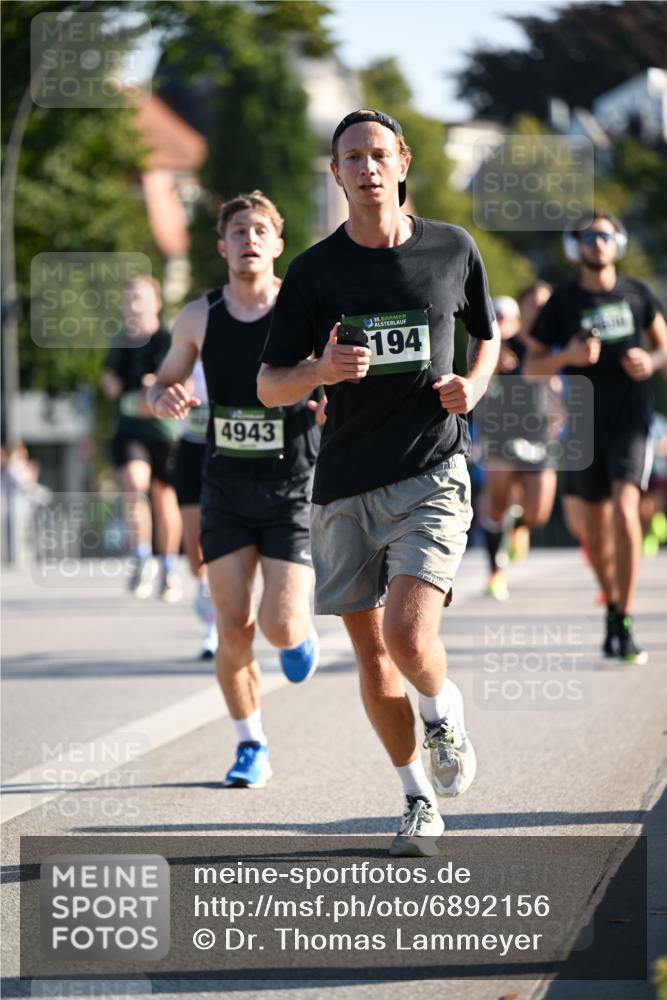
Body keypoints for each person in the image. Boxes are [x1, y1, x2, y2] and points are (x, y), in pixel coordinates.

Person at [257, 109, 499, 856]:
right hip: (344, 484)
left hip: (430, 468)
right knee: (370, 657)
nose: (364, 167)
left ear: (401, 163)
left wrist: (473, 386)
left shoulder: (452, 250)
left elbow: (486, 335)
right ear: (334, 174)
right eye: (349, 157)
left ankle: (441, 709)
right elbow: (270, 385)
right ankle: (416, 800)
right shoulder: (314, 271)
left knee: (404, 633)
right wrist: (318, 373)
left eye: (376, 154)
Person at [147, 190, 320, 788]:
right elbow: (160, 384)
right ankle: (252, 744)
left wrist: (329, 404)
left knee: (278, 626)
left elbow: (339, 380)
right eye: (238, 230)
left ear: (277, 244)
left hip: (291, 484)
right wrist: (163, 396)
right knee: (231, 623)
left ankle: (298, 632)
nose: (249, 239)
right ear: (222, 246)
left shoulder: (302, 313)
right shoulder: (199, 316)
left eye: (259, 230)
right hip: (223, 484)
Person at [525, 211, 667, 663]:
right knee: (593, 528)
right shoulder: (562, 303)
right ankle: (611, 604)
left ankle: (624, 619)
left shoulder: (639, 294)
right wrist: (567, 354)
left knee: (626, 512)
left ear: (616, 243)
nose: (597, 242)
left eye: (604, 235)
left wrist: (652, 361)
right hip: (582, 424)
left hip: (631, 421)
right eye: (588, 236)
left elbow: (664, 346)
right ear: (576, 247)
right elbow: (532, 370)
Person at [102, 276, 183, 602]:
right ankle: (141, 558)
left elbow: (164, 383)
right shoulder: (119, 342)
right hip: (129, 431)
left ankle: (168, 565)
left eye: (141, 297)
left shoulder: (166, 341)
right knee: (134, 485)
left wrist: (151, 390)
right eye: (129, 298)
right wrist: (112, 386)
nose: (134, 304)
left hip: (163, 434)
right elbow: (110, 380)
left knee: (164, 500)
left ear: (156, 303)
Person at [475, 287, 557, 600]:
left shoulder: (542, 344)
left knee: (539, 512)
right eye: (496, 316)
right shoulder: (487, 346)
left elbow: (555, 381)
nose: (501, 321)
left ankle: (519, 529)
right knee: (496, 498)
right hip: (502, 433)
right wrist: (490, 363)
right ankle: (495, 573)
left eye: (506, 316)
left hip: (538, 434)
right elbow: (473, 384)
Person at [173, 358, 218, 659]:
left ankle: (214, 627)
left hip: (224, 449)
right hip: (190, 451)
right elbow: (157, 386)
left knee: (223, 540)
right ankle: (205, 593)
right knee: (195, 550)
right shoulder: (185, 351)